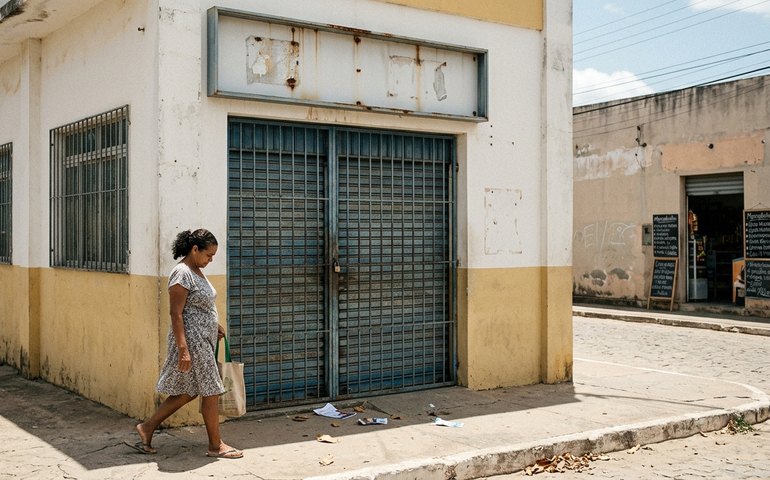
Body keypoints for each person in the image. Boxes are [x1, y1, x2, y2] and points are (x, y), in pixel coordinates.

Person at [126, 228, 243, 459]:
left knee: (188, 392)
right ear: (194, 249)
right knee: (210, 391)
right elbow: (176, 314)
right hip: (192, 342)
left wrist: (214, 325)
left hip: (203, 339)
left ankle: (147, 427)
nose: (210, 260)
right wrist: (183, 350)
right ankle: (215, 445)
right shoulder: (182, 273)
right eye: (208, 255)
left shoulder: (196, 271)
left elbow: (199, 305)